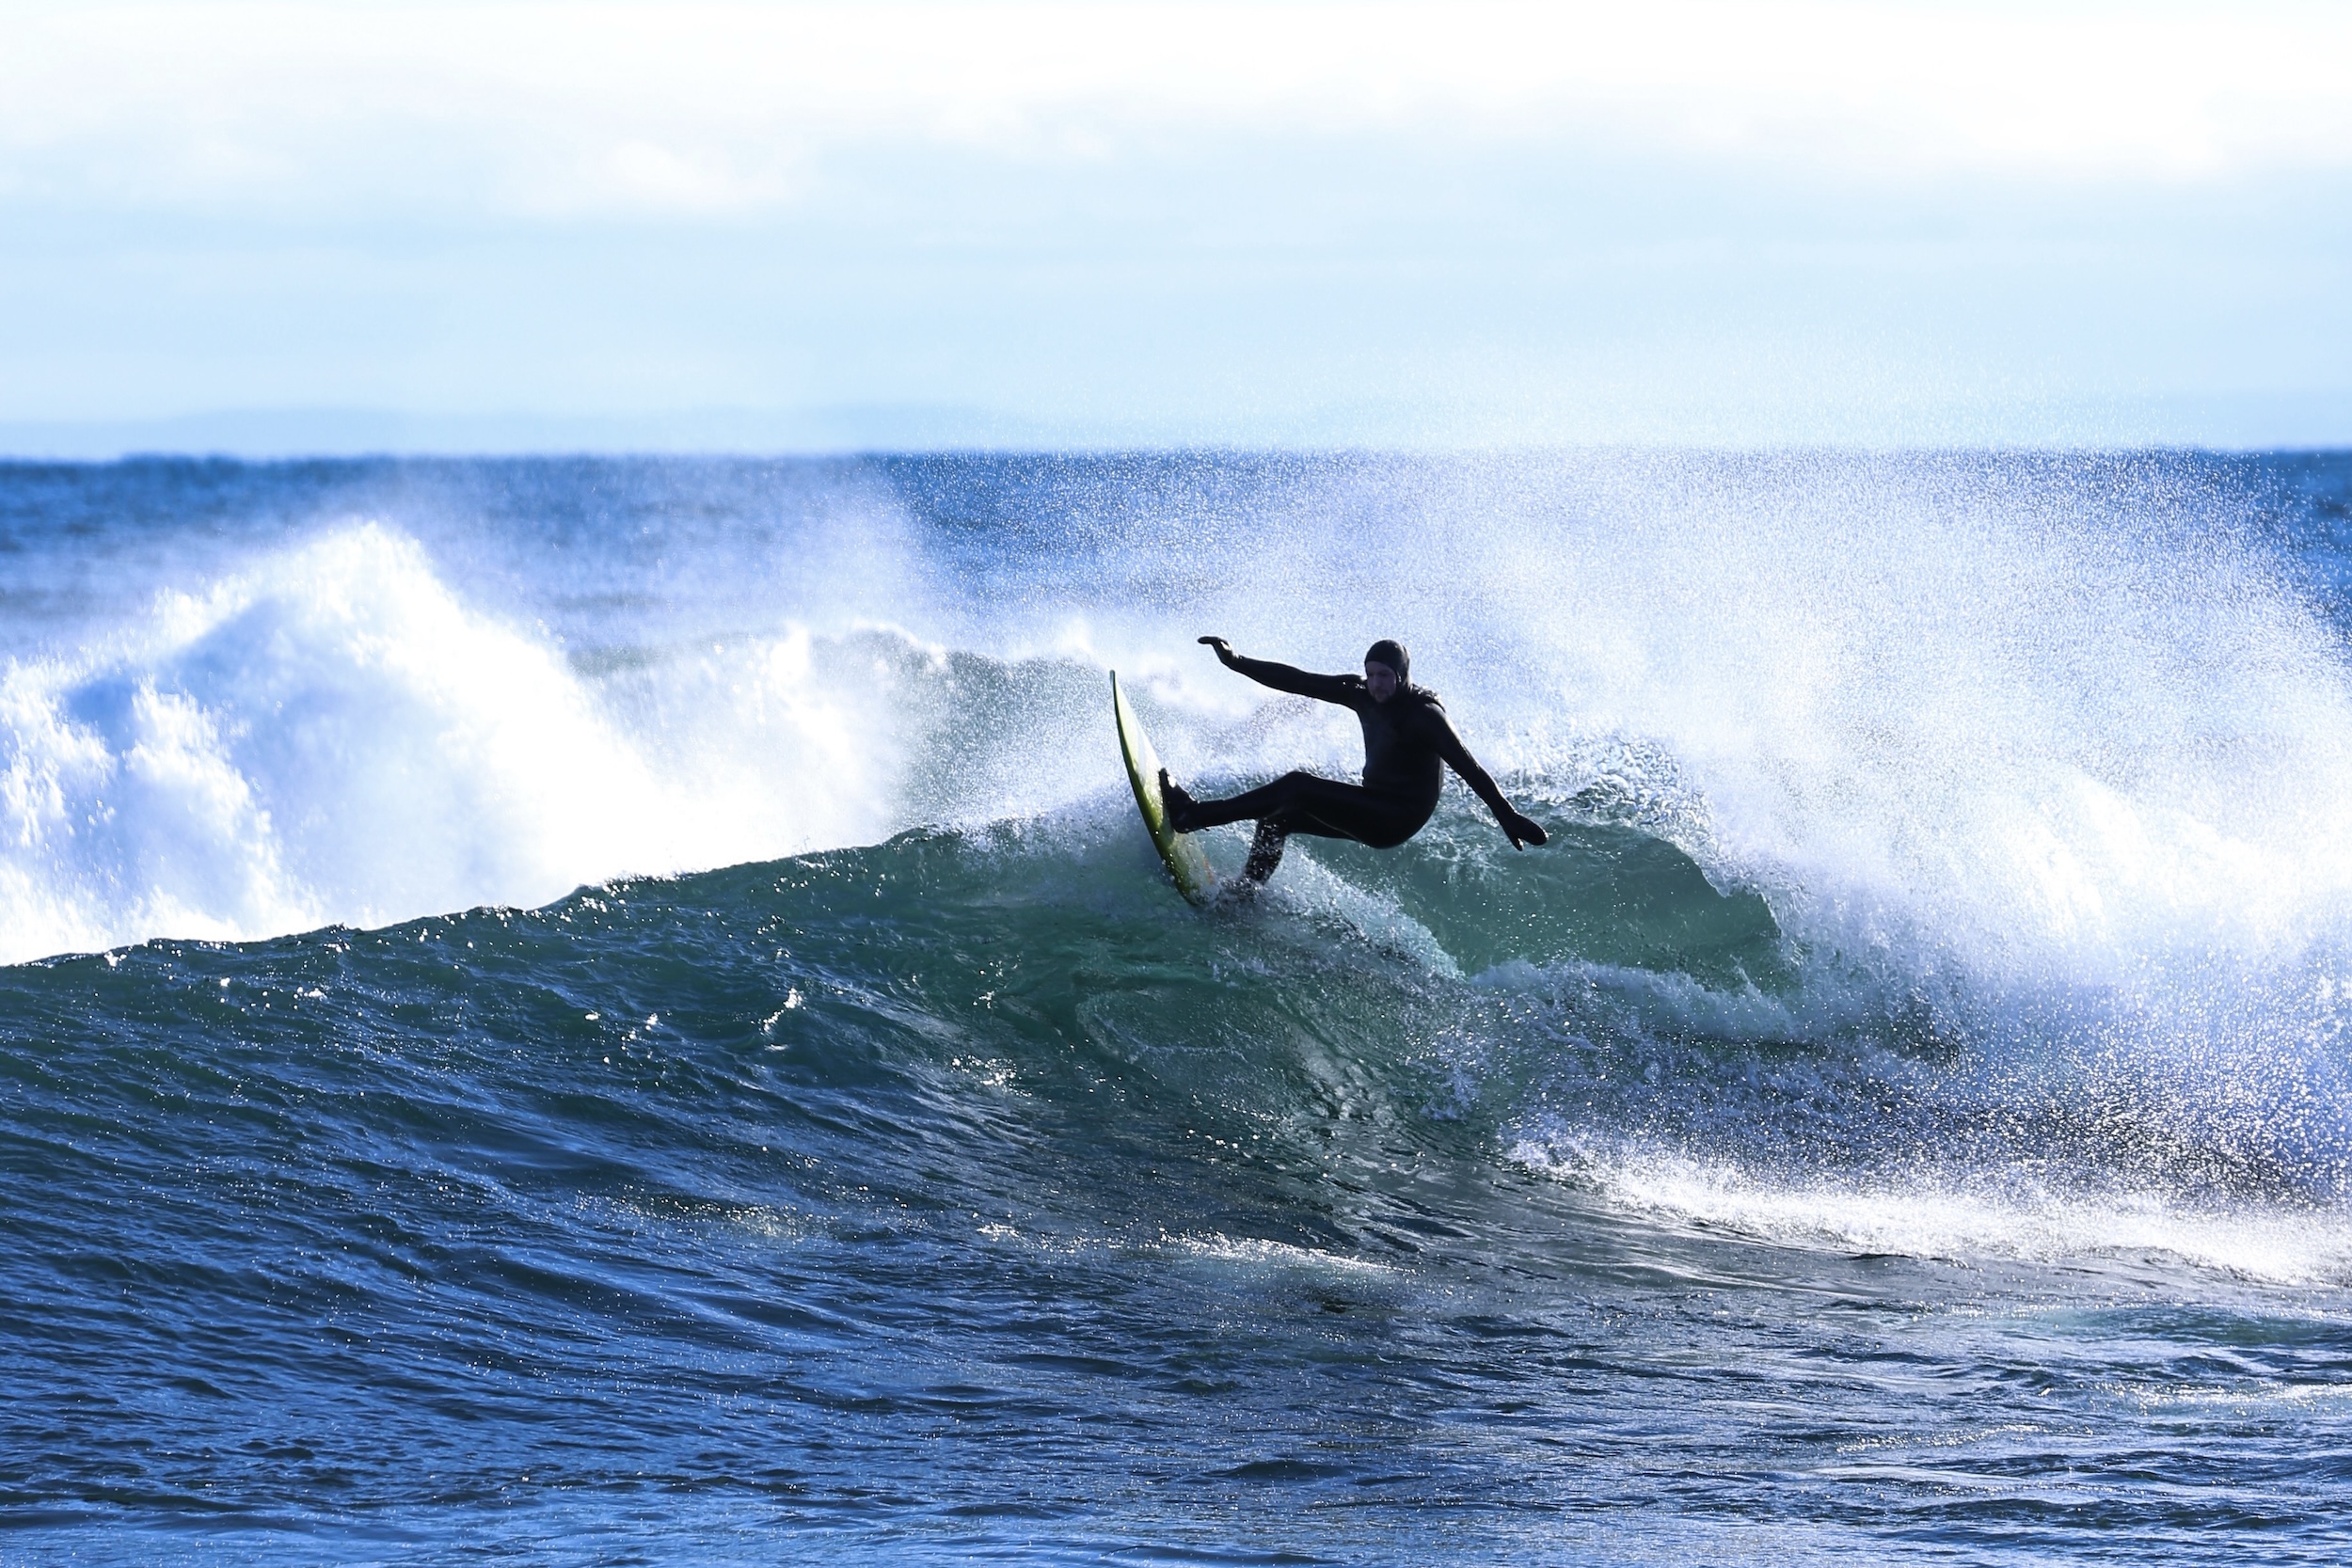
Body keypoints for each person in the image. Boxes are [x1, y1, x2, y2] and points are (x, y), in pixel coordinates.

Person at [1160, 636, 1548, 886]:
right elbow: (1299, 681)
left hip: (1396, 818)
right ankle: (1245, 895)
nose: (1376, 683)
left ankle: (1194, 816)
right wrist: (1237, 661)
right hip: (1373, 801)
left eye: (1385, 676)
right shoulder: (1361, 693)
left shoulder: (1423, 715)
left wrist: (1506, 815)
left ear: (1402, 675)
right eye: (1371, 674)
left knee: (1297, 786)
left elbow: (1470, 768)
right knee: (1277, 818)